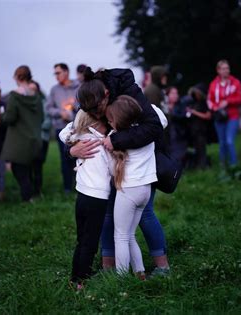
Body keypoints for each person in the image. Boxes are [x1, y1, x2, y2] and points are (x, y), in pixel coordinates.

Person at [72, 67, 170, 276]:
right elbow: (74, 129)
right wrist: (72, 149)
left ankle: (158, 266)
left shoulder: (129, 93)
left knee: (139, 220)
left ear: (107, 94)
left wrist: (115, 140)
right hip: (120, 169)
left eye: (99, 111)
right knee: (112, 218)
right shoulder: (91, 100)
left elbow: (154, 125)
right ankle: (115, 268)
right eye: (91, 113)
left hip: (139, 170)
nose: (98, 117)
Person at [106, 95, 159, 278]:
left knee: (120, 235)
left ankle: (120, 281)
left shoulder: (115, 139)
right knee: (129, 235)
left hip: (128, 190)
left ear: (119, 120)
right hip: (145, 190)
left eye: (111, 119)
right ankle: (140, 272)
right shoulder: (147, 134)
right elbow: (161, 117)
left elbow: (113, 171)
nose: (109, 122)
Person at [59, 110, 112, 289]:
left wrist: (74, 129)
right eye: (105, 121)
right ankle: (81, 280)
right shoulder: (100, 142)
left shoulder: (78, 137)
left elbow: (63, 132)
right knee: (90, 242)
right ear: (95, 124)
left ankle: (76, 276)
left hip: (81, 196)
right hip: (97, 198)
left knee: (82, 239)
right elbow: (112, 168)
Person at [0, 66, 43, 202]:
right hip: (35, 140)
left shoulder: (15, 95)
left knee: (19, 171)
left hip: (19, 141)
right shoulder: (36, 97)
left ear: (18, 77)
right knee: (28, 170)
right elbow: (41, 118)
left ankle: (27, 199)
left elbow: (10, 118)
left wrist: (2, 115)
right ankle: (31, 196)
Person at [46, 63, 80, 193]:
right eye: (55, 73)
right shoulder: (54, 90)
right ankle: (67, 187)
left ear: (66, 72)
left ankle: (80, 186)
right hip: (61, 129)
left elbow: (84, 107)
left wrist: (71, 113)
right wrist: (60, 112)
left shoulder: (78, 87)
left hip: (78, 128)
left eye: (58, 72)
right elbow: (48, 108)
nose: (56, 76)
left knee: (79, 156)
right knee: (65, 158)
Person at [207, 60, 241, 167]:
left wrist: (227, 101)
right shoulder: (213, 84)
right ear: (218, 70)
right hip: (219, 117)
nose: (226, 70)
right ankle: (223, 166)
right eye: (223, 68)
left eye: (227, 68)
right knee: (222, 143)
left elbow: (240, 98)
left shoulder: (235, 82)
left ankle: (234, 166)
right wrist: (215, 107)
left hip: (232, 116)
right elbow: (209, 100)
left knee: (229, 141)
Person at [29, 80, 51, 197]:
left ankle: (37, 191)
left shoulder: (44, 104)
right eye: (30, 89)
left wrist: (34, 127)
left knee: (37, 166)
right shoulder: (25, 104)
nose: (32, 91)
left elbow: (48, 123)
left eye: (34, 89)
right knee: (27, 166)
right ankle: (28, 191)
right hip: (27, 140)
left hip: (41, 139)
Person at [185, 84, 211, 169]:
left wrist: (194, 112)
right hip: (194, 130)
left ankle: (203, 165)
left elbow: (207, 116)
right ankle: (198, 165)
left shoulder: (204, 103)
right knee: (196, 148)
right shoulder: (194, 102)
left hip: (201, 129)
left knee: (201, 148)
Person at [165, 86, 189, 163]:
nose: (175, 95)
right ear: (167, 95)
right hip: (167, 135)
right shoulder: (164, 106)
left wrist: (172, 113)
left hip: (179, 135)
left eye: (176, 93)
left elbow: (182, 117)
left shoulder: (181, 104)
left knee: (178, 155)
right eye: (173, 93)